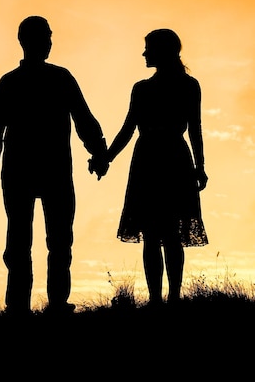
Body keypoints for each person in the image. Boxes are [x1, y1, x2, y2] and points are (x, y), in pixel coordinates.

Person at [0, 15, 108, 318]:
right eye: (45, 37)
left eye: (49, 37)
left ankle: (34, 305)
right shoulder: (54, 79)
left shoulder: (19, 81)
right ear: (26, 41)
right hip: (44, 169)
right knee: (40, 241)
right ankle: (38, 305)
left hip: (37, 169)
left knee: (41, 241)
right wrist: (98, 151)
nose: (48, 43)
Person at [90, 28, 209, 307]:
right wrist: (105, 157)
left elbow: (194, 128)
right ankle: (164, 299)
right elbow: (130, 128)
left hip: (156, 159)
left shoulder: (176, 87)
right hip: (164, 159)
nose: (144, 53)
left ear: (163, 50)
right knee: (160, 234)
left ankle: (167, 299)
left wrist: (200, 166)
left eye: (149, 48)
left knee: (161, 234)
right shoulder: (158, 87)